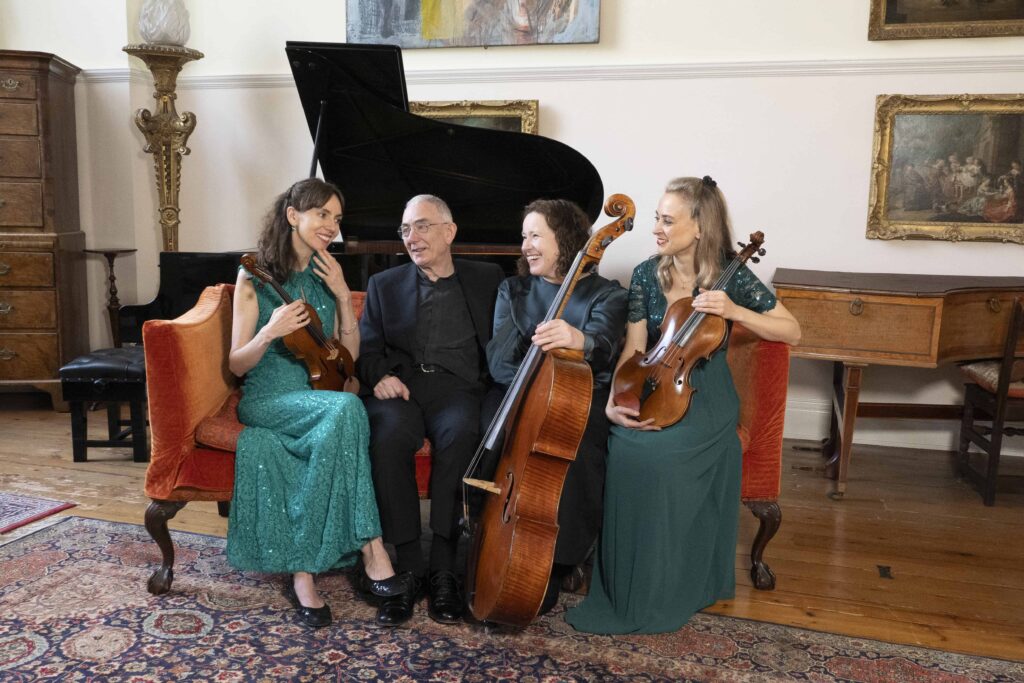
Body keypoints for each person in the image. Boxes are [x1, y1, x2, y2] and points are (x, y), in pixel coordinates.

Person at [566, 176, 801, 635]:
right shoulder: (645, 275)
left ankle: (670, 586)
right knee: (625, 443)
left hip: (707, 395)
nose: (656, 227)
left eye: (667, 219)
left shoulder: (731, 276)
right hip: (656, 381)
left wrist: (734, 311)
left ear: (699, 227)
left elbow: (791, 331)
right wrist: (619, 399)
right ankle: (627, 584)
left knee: (663, 455)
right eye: (656, 216)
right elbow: (635, 350)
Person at [226, 178, 410, 629]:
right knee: (348, 409)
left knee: (342, 411)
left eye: (337, 218)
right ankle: (372, 548)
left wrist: (345, 298)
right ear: (293, 215)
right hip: (269, 399)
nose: (332, 226)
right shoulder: (255, 275)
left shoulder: (327, 274)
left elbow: (347, 357)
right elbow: (236, 365)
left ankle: (303, 575)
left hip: (318, 399)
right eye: (322, 214)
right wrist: (270, 331)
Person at [357, 194, 505, 626]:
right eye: (405, 229)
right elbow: (367, 351)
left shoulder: (488, 278)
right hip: (402, 386)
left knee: (461, 432)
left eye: (422, 226)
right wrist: (380, 375)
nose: (412, 237)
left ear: (449, 232)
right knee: (386, 437)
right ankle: (406, 566)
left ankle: (443, 568)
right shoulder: (385, 285)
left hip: (458, 387)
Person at [481, 198, 627, 614]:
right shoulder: (513, 290)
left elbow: (603, 350)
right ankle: (486, 536)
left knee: (578, 449)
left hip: (579, 396)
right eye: (523, 235)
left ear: (565, 240)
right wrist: (531, 366)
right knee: (490, 428)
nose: (525, 244)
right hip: (517, 388)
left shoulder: (608, 296)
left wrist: (577, 339)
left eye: (535, 235)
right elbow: (498, 363)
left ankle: (559, 560)